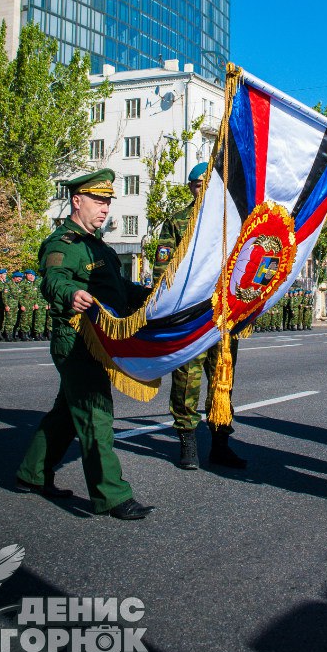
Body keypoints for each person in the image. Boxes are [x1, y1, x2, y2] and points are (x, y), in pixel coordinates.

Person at [16, 168, 153, 520]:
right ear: (77, 201)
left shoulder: (98, 247)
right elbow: (53, 281)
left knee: (66, 413)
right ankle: (112, 496)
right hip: (76, 341)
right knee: (95, 415)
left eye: (108, 201)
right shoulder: (65, 243)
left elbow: (121, 291)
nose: (105, 208)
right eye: (98, 200)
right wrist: (71, 293)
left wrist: (155, 296)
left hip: (99, 341)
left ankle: (32, 474)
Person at [153, 162, 246, 471]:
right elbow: (162, 271)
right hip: (189, 315)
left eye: (209, 183)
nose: (203, 189)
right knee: (186, 380)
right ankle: (187, 443)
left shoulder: (231, 221)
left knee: (223, 380)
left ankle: (220, 444)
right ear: (190, 187)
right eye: (197, 184)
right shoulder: (179, 222)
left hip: (222, 317)